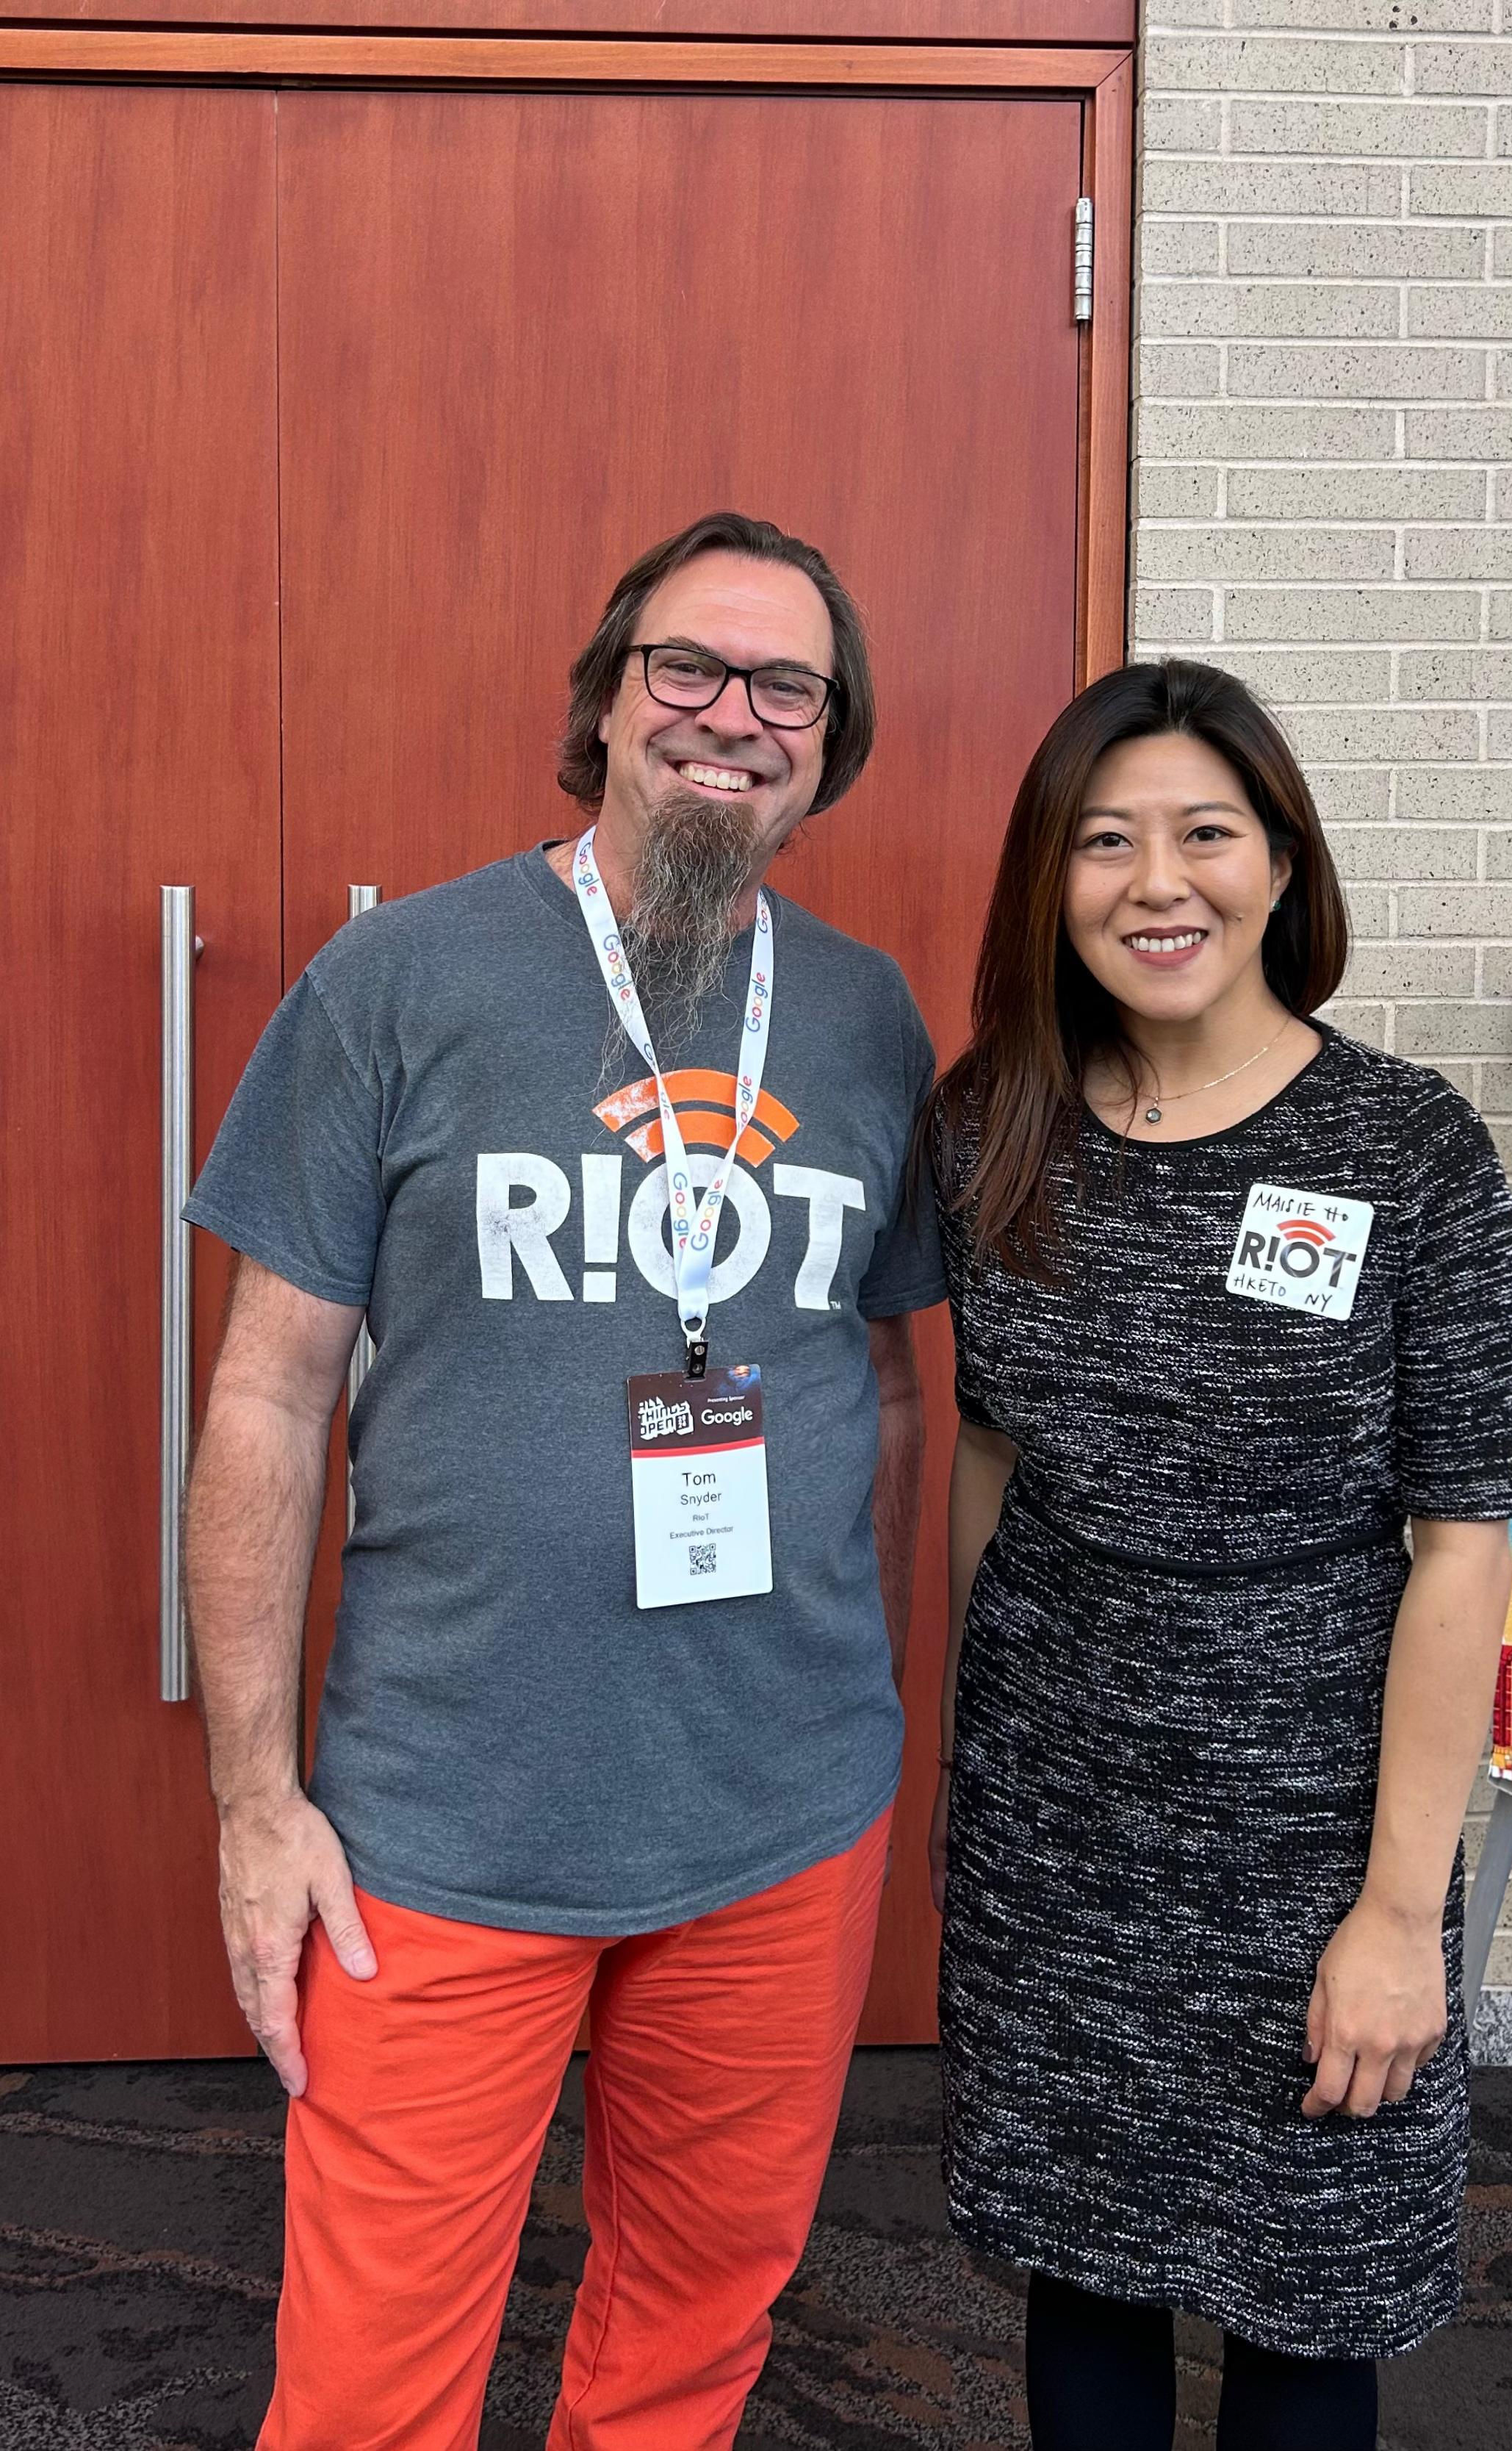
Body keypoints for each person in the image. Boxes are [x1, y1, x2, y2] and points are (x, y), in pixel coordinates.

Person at [181, 511, 944, 2449]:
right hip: (445, 1814)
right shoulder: (398, 979)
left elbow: (882, 1376)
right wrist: (256, 1801)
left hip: (779, 1807)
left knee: (687, 2341)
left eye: (788, 687)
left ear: (826, 744)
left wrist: (865, 1691)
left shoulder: (859, 1017)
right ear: (604, 702)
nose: (730, 715)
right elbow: (266, 1395)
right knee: (365, 2386)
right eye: (684, 666)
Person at [926, 659, 1512, 2450]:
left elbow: (1461, 1543)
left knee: (1302, 2296)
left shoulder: (1403, 1147)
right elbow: (984, 1446)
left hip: (1305, 1850)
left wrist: (1398, 1914)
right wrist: (988, 1752)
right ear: (1051, 878)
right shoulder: (989, 1126)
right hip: (1057, 1838)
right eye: (1104, 841)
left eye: (1204, 832)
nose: (1154, 881)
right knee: (1080, 2271)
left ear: (1280, 864)